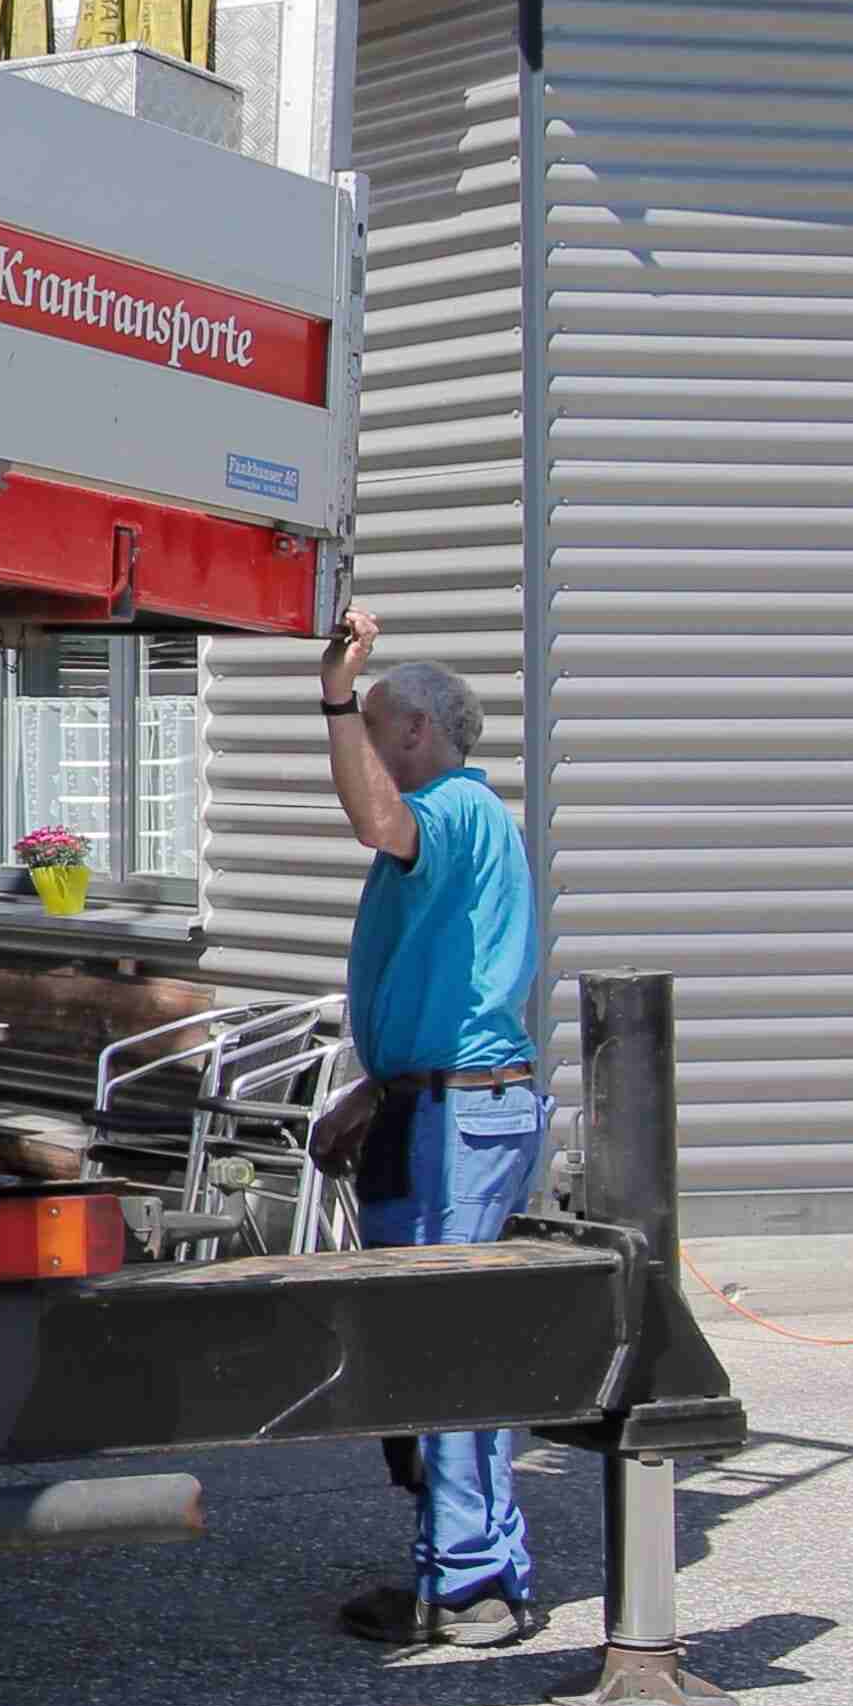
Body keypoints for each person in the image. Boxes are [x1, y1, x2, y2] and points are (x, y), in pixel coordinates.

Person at [319, 608, 548, 1648]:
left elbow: (376, 822)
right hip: (437, 1098)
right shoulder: (460, 824)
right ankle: (460, 1569)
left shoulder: (452, 809)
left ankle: (470, 1582)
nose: (362, 751)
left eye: (372, 731)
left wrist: (333, 690)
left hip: (461, 1111)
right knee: (434, 1340)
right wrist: (377, 1089)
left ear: (413, 731)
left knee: (447, 1342)